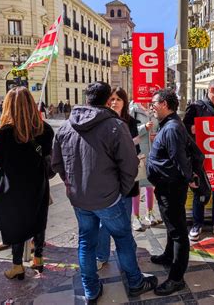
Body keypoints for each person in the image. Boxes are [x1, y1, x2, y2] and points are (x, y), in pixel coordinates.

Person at [51, 82, 157, 302]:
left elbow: (57, 163)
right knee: (123, 238)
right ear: (108, 99)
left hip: (80, 198)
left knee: (85, 241)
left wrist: (72, 184)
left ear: (86, 98)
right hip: (108, 198)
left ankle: (90, 288)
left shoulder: (65, 126)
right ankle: (135, 282)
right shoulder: (114, 126)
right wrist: (121, 191)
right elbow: (129, 165)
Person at [0, 87, 54, 280]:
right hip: (37, 183)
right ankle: (38, 258)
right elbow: (46, 154)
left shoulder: (6, 132)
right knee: (38, 218)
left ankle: (17, 265)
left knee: (16, 222)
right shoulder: (45, 129)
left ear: (9, 106)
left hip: (13, 186)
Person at [147, 88, 196, 296]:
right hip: (166, 187)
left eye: (154, 103)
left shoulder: (172, 127)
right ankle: (168, 255)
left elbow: (180, 161)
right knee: (171, 226)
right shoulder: (169, 124)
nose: (151, 107)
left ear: (165, 104)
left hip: (172, 189)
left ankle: (176, 278)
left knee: (178, 232)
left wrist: (188, 180)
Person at [96, 87, 140, 269]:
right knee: (104, 223)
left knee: (125, 220)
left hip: (128, 179)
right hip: (109, 180)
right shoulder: (103, 121)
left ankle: (128, 252)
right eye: (111, 99)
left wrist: (132, 143)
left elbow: (135, 152)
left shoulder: (131, 122)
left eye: (118, 99)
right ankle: (101, 254)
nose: (114, 102)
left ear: (124, 102)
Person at [183, 78, 214, 241]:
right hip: (200, 159)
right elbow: (183, 130)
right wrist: (193, 129)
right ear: (212, 90)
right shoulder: (195, 107)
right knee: (200, 192)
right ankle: (197, 224)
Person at [129, 100, 161, 231]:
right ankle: (135, 216)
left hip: (153, 153)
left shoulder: (154, 108)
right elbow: (129, 131)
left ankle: (150, 213)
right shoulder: (133, 110)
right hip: (139, 153)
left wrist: (157, 135)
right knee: (137, 186)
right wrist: (144, 129)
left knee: (150, 185)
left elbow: (160, 128)